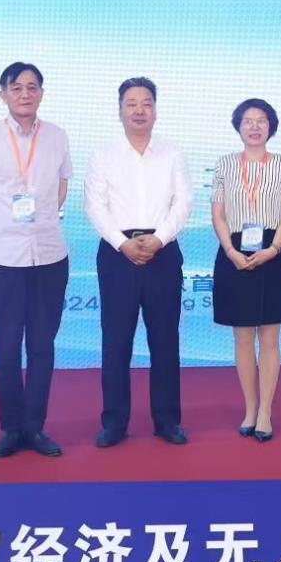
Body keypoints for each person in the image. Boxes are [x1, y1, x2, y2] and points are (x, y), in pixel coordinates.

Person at [85, 77, 194, 447]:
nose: (139, 111)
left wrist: (159, 239)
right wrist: (122, 244)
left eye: (146, 103)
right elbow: (95, 206)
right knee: (116, 341)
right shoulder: (103, 154)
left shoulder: (172, 153)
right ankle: (114, 422)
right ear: (120, 110)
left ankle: (167, 420)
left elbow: (183, 202)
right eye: (131, 103)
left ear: (156, 110)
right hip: (118, 254)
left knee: (165, 339)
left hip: (163, 252)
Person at [0, 63, 72, 458]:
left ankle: (35, 427)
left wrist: (41, 220)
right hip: (1, 256)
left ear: (42, 93)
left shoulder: (58, 136)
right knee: (7, 346)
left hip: (49, 254)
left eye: (32, 87)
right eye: (17, 88)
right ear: (4, 95)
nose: (25, 94)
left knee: (43, 345)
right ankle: (11, 428)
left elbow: (61, 185)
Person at [210, 98, 281, 442]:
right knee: (243, 338)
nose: (255, 126)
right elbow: (218, 213)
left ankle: (266, 412)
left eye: (261, 120)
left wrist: (273, 248)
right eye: (248, 120)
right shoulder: (225, 164)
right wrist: (230, 250)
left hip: (272, 249)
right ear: (238, 126)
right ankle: (250, 408)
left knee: (270, 338)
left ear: (270, 126)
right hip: (234, 252)